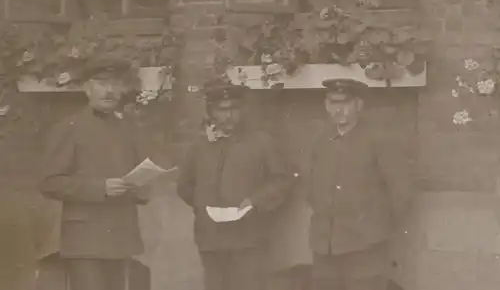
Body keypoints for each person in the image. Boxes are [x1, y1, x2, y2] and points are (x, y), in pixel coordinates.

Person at [39, 58, 149, 290]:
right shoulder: (69, 127)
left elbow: (140, 171)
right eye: (101, 83)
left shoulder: (128, 128)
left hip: (121, 234)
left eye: (115, 83)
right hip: (85, 239)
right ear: (87, 88)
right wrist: (101, 188)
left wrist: (142, 186)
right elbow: (49, 182)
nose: (109, 90)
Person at [176, 79, 293, 290]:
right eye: (222, 110)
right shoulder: (199, 147)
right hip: (210, 238)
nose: (228, 116)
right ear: (211, 112)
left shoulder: (261, 143)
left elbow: (281, 180)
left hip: (248, 237)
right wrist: (203, 206)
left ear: (242, 110)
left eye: (234, 109)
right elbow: (184, 186)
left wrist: (255, 201)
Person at [307, 78, 414, 290]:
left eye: (344, 103)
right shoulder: (320, 139)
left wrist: (377, 228)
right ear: (326, 105)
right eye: (333, 103)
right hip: (325, 245)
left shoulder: (379, 138)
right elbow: (310, 184)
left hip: (365, 246)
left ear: (359, 105)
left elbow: (401, 191)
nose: (338, 110)